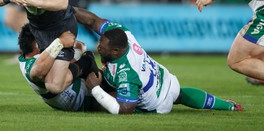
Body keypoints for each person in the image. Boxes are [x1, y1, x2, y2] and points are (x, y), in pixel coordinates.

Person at [74, 7, 243, 114]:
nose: (98, 47)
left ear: (116, 51)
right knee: (179, 94)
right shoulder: (122, 34)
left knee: (98, 101)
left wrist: (95, 90)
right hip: (163, 80)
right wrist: (66, 10)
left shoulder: (126, 72)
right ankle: (227, 105)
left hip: (156, 104)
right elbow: (94, 21)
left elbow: (124, 109)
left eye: (102, 46)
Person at [18, 23, 103, 111]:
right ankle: (102, 85)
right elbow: (75, 54)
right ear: (37, 44)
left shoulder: (25, 59)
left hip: (61, 101)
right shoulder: (38, 63)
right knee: (87, 59)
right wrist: (75, 49)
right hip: (78, 98)